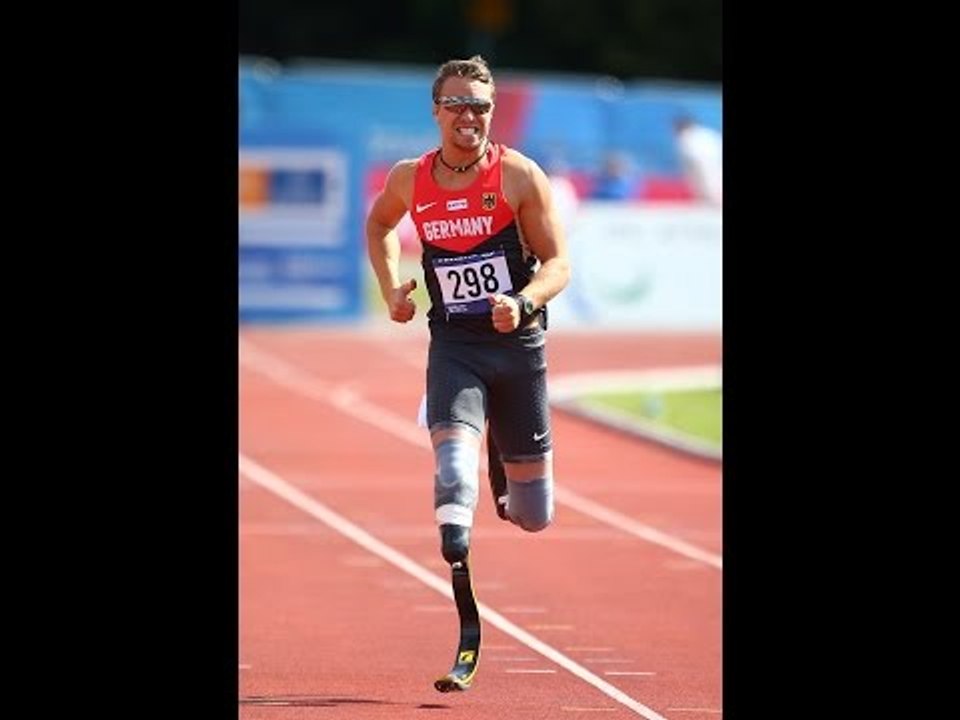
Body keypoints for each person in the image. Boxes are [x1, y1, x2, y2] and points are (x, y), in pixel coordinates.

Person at [366, 55, 571, 688]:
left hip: (518, 349)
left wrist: (524, 301)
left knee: (533, 515)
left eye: (480, 105)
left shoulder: (517, 175)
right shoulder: (410, 178)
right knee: (453, 469)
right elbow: (379, 224)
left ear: (490, 112)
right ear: (436, 111)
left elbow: (559, 263)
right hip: (454, 346)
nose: (469, 115)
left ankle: (503, 464)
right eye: (456, 104)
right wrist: (391, 289)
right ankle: (457, 551)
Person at [673, 114, 723, 206]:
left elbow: (696, 162)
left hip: (706, 164)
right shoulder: (707, 132)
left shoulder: (686, 137)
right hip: (716, 162)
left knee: (711, 185)